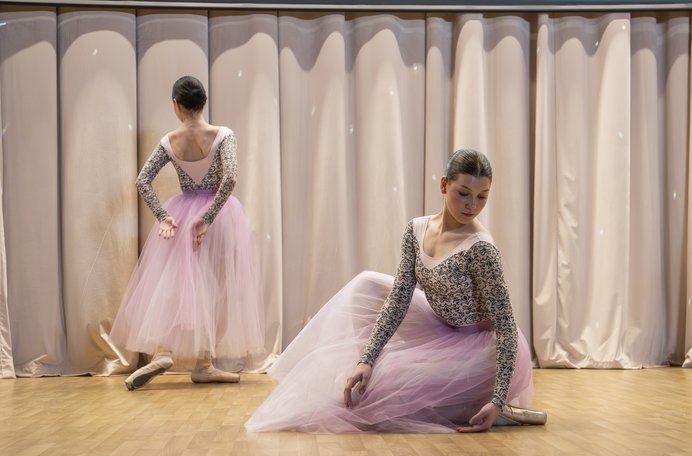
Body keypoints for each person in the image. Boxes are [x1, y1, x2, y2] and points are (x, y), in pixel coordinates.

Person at [246, 149, 545, 433]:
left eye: (482, 197)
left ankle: (491, 409)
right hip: (442, 327)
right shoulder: (416, 230)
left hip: (481, 349)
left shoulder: (481, 249)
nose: (472, 205)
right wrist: (367, 359)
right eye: (463, 193)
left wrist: (497, 399)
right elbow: (399, 298)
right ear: (444, 185)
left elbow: (506, 324)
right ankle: (367, 370)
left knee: (377, 400)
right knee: (367, 285)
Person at [109, 75, 264, 390]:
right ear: (204, 101)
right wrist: (208, 217)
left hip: (181, 217)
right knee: (217, 288)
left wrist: (164, 217)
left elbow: (142, 180)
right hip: (218, 218)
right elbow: (230, 178)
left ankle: (165, 352)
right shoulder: (223, 135)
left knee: (179, 285)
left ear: (176, 105)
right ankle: (203, 364)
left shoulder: (170, 141)